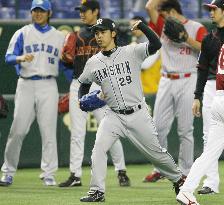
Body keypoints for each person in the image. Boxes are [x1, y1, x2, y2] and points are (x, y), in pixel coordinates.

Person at [78, 17, 185, 202]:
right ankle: (97, 191)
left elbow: (156, 44)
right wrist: (83, 99)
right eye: (96, 32)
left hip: (137, 113)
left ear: (113, 33)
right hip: (113, 115)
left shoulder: (131, 51)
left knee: (156, 154)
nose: (99, 36)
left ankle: (178, 180)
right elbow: (84, 83)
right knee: (98, 150)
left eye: (102, 32)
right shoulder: (93, 63)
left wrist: (143, 26)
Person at [58, 0, 130, 188]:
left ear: (95, 11)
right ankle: (75, 174)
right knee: (77, 132)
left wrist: (123, 36)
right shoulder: (77, 35)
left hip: (101, 86)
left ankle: (121, 170)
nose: (81, 14)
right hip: (79, 84)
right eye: (80, 11)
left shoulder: (107, 32)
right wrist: (65, 60)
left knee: (110, 129)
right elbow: (67, 63)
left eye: (85, 11)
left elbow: (121, 54)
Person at [0, 0, 64, 186]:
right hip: (26, 84)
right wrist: (20, 58)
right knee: (17, 130)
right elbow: (8, 57)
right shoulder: (23, 32)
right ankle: (8, 172)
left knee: (48, 131)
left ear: (49, 13)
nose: (38, 14)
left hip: (48, 84)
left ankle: (49, 173)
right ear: (30, 12)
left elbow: (65, 63)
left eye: (41, 11)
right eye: (35, 10)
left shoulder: (59, 36)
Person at [143, 0, 207, 183]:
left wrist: (186, 38)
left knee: (185, 130)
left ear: (171, 11)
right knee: (158, 129)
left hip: (188, 79)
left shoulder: (196, 27)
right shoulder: (163, 25)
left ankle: (186, 171)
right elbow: (149, 6)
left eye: (163, 13)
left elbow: (206, 49)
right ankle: (161, 168)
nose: (160, 16)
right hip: (166, 80)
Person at [176, 0, 224, 204]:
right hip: (216, 92)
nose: (211, 12)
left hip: (219, 98)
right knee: (209, 144)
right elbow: (203, 68)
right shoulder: (210, 38)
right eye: (209, 9)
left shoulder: (215, 40)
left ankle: (186, 190)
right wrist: (198, 95)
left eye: (214, 9)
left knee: (210, 149)